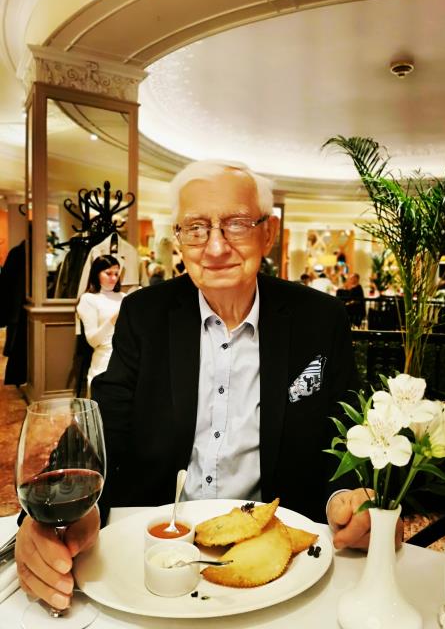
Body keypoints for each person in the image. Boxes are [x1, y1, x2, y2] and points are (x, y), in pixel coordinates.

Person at [15, 161, 402, 610]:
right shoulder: (146, 314)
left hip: (280, 563)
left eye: (236, 224)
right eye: (196, 228)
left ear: (268, 233)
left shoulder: (320, 319)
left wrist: (351, 498)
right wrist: (44, 519)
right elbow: (99, 428)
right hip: (155, 548)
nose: (216, 247)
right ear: (179, 239)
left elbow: (348, 436)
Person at [76, 255, 125, 390]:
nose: (113, 278)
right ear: (96, 274)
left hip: (128, 359)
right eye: (108, 273)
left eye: (116, 274)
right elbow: (93, 341)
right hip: (104, 361)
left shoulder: (124, 297)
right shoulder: (89, 299)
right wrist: (112, 320)